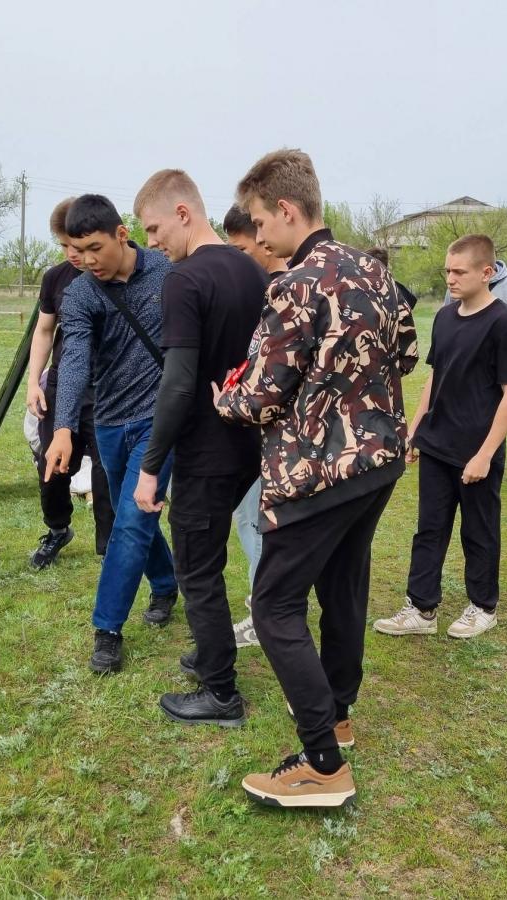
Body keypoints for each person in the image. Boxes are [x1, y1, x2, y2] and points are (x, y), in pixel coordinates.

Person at [217, 149, 418, 808]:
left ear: (285, 209)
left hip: (320, 472)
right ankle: (337, 713)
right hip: (380, 461)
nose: (257, 235)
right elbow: (409, 353)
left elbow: (262, 397)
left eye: (257, 221)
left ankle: (322, 764)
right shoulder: (376, 270)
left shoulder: (294, 283)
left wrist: (226, 395)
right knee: (343, 586)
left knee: (274, 607)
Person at [132, 170, 266, 726]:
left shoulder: (183, 280)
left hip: (207, 452)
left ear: (184, 213)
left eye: (155, 228)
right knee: (207, 557)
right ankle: (212, 651)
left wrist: (150, 467)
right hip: (249, 444)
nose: (152, 243)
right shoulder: (250, 267)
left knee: (197, 568)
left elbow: (179, 382)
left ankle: (221, 694)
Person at [44, 194, 177, 673]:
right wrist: (62, 428)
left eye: (96, 248)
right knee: (133, 514)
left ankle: (107, 628)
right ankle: (165, 585)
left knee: (130, 519)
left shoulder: (167, 271)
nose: (88, 260)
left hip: (159, 424)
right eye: (79, 250)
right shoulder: (80, 293)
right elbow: (75, 357)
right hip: (108, 423)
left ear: (123, 234)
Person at [374, 234, 507, 641]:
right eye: (448, 271)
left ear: (486, 272)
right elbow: (435, 378)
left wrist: (485, 454)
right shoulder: (444, 317)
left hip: (477, 449)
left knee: (479, 531)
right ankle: (422, 608)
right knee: (430, 527)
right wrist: (416, 430)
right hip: (438, 443)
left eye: (459, 272)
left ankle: (482, 607)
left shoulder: (505, 325)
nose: (451, 278)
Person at [25, 197, 115, 564]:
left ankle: (110, 547)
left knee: (108, 474)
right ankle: (57, 528)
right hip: (62, 385)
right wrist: (34, 382)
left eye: (76, 246)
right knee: (52, 465)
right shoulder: (55, 277)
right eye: (64, 245)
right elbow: (45, 330)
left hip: (107, 388)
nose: (72, 254)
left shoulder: (109, 273)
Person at [218, 203, 289, 649]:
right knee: (248, 517)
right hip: (262, 435)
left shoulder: (281, 291)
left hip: (269, 437)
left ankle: (265, 613)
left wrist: (229, 400)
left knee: (255, 520)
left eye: (242, 246)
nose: (242, 255)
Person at [443, 257, 507, 340]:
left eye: (459, 272)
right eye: (448, 271)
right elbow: (446, 325)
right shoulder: (455, 287)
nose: (450, 280)